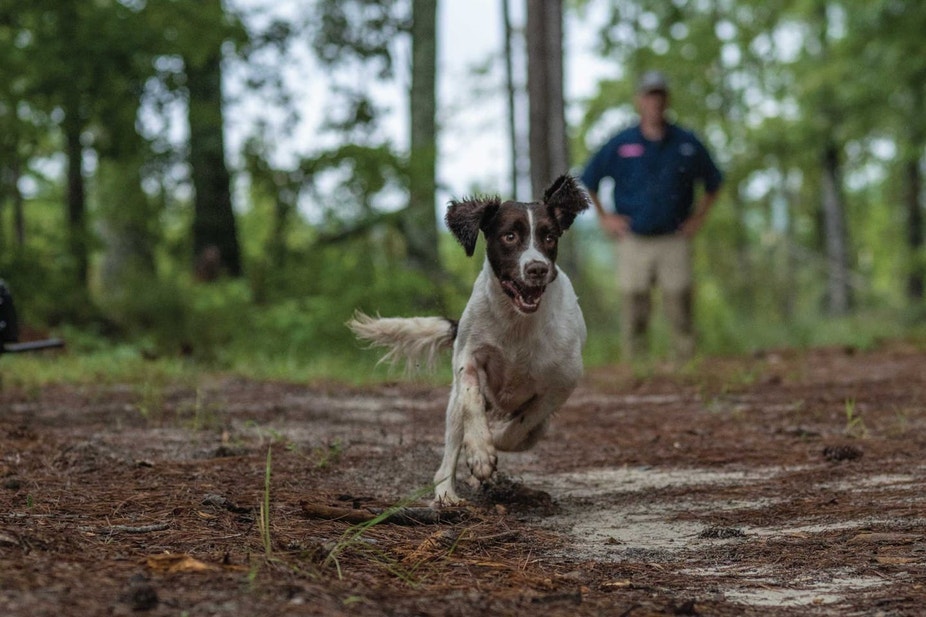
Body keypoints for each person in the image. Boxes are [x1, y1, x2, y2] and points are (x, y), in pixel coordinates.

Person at [580, 70, 723, 362]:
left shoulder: (686, 142)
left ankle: (685, 365)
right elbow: (589, 178)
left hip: (674, 236)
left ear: (667, 100)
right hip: (634, 238)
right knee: (634, 306)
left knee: (680, 302)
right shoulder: (621, 143)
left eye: (659, 96)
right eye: (649, 96)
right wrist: (605, 217)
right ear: (639, 101)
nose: (654, 102)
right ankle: (637, 367)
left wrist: (698, 219)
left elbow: (713, 182)